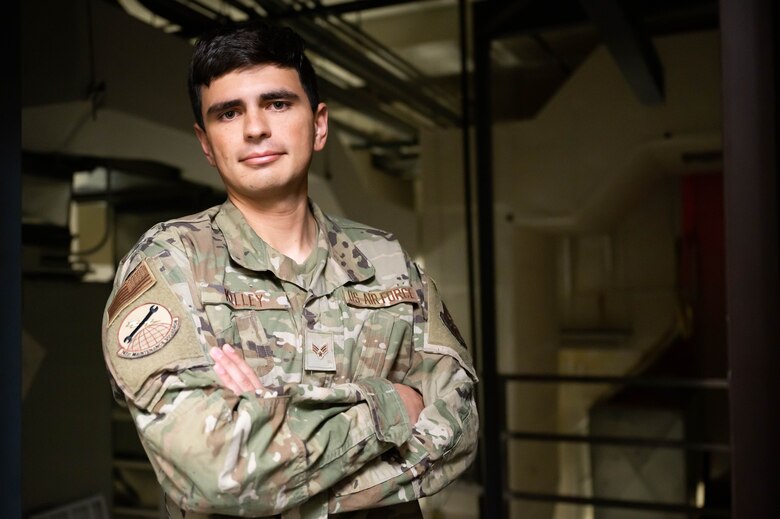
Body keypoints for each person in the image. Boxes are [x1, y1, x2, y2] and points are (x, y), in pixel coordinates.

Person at [101, 20, 478, 519]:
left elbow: (461, 425)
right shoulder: (170, 264)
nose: (256, 128)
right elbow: (215, 469)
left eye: (277, 103)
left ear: (319, 124)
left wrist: (270, 431)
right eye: (229, 113)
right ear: (206, 143)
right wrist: (390, 402)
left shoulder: (386, 261)